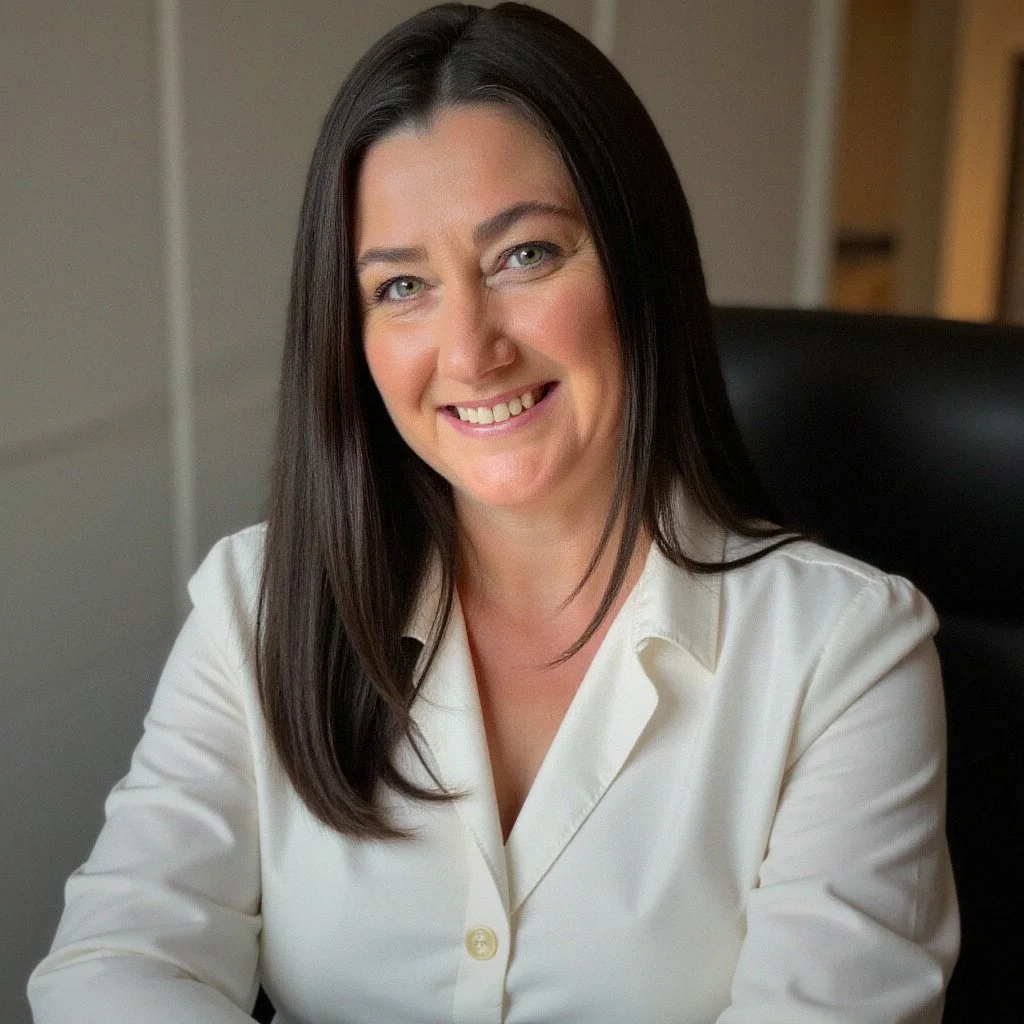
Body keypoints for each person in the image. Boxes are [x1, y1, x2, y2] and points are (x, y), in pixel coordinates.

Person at [28, 4, 959, 1022]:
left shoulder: (844, 651)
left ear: (640, 266)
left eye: (524, 256)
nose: (469, 351)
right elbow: (113, 966)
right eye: (402, 286)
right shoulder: (256, 606)